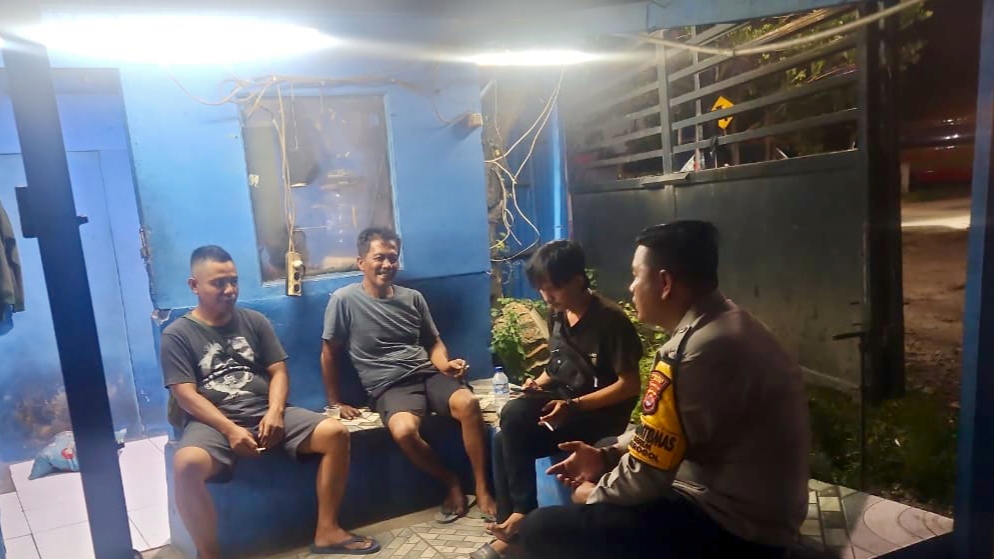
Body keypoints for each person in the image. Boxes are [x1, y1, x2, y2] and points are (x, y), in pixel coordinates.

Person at [515, 221, 811, 559]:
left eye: (636, 276)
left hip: (736, 529)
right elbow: (663, 432)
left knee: (541, 529)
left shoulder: (695, 352)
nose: (631, 287)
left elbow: (649, 474)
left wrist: (594, 495)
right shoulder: (729, 325)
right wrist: (606, 456)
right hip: (755, 512)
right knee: (607, 447)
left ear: (665, 282)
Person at [163, 246, 379, 559]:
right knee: (185, 465)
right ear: (194, 286)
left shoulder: (254, 321)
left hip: (265, 411)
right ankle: (209, 554)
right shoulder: (177, 335)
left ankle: (328, 531)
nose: (230, 290)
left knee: (335, 433)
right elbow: (185, 393)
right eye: (219, 283)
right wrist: (230, 429)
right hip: (213, 423)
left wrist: (276, 412)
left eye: (234, 281)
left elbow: (278, 371)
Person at [475, 240, 643, 559]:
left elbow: (629, 386)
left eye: (552, 288)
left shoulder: (611, 321)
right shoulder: (559, 314)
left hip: (600, 415)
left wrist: (574, 406)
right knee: (503, 437)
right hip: (565, 407)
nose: (546, 296)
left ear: (577, 280)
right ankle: (511, 531)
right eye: (541, 289)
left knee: (514, 416)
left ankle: (523, 516)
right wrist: (535, 384)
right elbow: (556, 368)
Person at [321, 227, 497, 520]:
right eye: (379, 257)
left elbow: (433, 342)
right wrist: (335, 401)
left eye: (393, 258)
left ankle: (482, 488)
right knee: (403, 431)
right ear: (361, 262)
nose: (387, 265)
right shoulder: (343, 300)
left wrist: (445, 365)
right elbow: (329, 352)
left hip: (428, 373)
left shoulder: (413, 298)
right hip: (389, 386)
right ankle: (450, 481)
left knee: (468, 404)